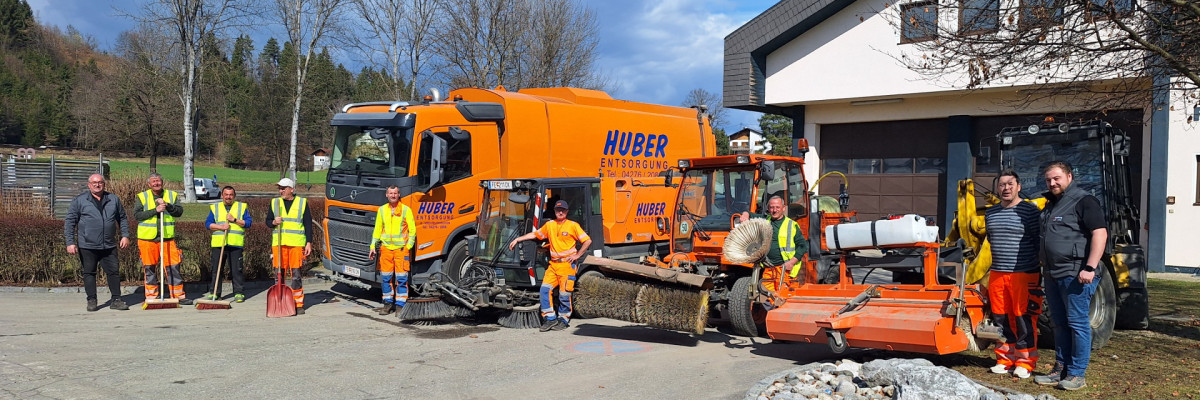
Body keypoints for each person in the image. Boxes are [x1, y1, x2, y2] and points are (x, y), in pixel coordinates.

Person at [1033, 161, 1108, 391]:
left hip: (1075, 273)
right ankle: (1060, 369)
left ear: (1069, 176)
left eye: (1056, 178)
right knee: (1059, 323)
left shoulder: (1084, 201)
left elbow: (1100, 233)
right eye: (1048, 180)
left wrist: (1090, 267)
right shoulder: (1050, 204)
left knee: (1077, 323)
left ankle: (1077, 374)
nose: (1052, 183)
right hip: (1053, 273)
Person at [983, 170, 1043, 379]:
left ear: (1018, 187)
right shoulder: (990, 213)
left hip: (1024, 273)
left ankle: (1025, 362)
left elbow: (1038, 241)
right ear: (997, 188)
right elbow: (991, 240)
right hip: (997, 273)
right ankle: (1004, 359)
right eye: (1002, 184)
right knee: (1000, 318)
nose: (1006, 188)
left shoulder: (1030, 211)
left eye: (1010, 184)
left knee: (1023, 318)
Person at [508, 200, 592, 332]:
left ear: (566, 212)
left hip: (567, 265)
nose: (560, 212)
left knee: (564, 295)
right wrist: (518, 239)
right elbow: (535, 235)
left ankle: (563, 319)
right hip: (553, 265)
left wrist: (577, 256)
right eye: (558, 210)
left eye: (563, 210)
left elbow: (587, 241)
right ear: (554, 211)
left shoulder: (573, 226)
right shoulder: (550, 225)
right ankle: (550, 318)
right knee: (545, 290)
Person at [64, 174, 132, 312]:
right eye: (94, 182)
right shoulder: (80, 200)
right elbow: (70, 222)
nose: (97, 185)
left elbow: (123, 218)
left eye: (100, 182)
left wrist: (125, 235)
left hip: (109, 245)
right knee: (89, 273)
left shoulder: (113, 199)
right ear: (89, 185)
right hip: (87, 245)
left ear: (104, 184)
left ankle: (116, 300)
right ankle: (92, 300)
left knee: (113, 272)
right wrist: (70, 242)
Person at [133, 172, 190, 305]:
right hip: (147, 239)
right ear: (149, 184)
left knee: (173, 267)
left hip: (167, 239)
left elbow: (179, 212)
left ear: (162, 182)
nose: (156, 183)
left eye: (158, 181)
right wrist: (156, 210)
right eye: (153, 182)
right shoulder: (142, 197)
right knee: (149, 268)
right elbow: (137, 215)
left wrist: (167, 205)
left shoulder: (171, 195)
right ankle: (152, 296)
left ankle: (178, 295)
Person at [739, 195, 809, 291]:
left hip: (785, 270)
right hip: (769, 269)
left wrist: (791, 262)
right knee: (767, 299)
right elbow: (749, 214)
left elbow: (803, 246)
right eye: (772, 207)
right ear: (768, 209)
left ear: (783, 208)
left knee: (783, 298)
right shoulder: (765, 220)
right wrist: (745, 215)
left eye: (777, 207)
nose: (774, 210)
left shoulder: (791, 225)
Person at [266, 178, 314, 315]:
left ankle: (298, 304)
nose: (281, 190)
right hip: (279, 244)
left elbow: (308, 224)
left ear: (291, 189)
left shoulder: (302, 203)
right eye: (279, 188)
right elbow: (268, 221)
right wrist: (274, 222)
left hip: (296, 244)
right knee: (278, 274)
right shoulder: (275, 203)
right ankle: (280, 302)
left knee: (296, 275)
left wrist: (309, 242)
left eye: (283, 188)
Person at [368, 186, 416, 315]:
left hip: (401, 250)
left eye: (395, 193)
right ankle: (387, 304)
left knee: (401, 279)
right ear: (386, 195)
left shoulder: (406, 210)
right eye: (391, 193)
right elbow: (377, 230)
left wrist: (408, 247)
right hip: (386, 250)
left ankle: (400, 305)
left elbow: (412, 231)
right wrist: (373, 246)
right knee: (386, 278)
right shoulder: (382, 210)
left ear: (399, 195)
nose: (393, 195)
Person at [205, 186, 252, 302]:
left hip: (235, 244)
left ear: (234, 196)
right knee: (216, 269)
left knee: (237, 270)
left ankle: (238, 293)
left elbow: (248, 223)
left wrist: (234, 220)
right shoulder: (215, 207)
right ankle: (215, 292)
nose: (228, 197)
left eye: (231, 195)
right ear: (222, 195)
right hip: (219, 244)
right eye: (226, 194)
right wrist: (221, 227)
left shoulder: (241, 207)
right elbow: (208, 224)